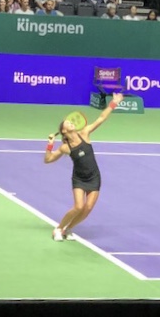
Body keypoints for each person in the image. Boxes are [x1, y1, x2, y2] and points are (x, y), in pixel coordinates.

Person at [44, 93, 124, 241]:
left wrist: (114, 103)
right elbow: (48, 160)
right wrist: (50, 144)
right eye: (67, 123)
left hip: (94, 177)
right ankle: (58, 228)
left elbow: (101, 118)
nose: (71, 122)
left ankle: (67, 230)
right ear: (64, 131)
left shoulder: (85, 133)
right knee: (78, 207)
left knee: (87, 209)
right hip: (79, 179)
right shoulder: (65, 147)